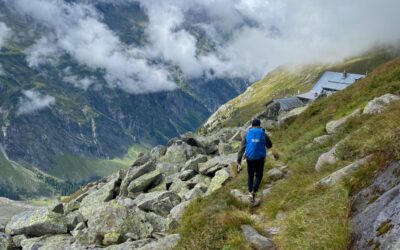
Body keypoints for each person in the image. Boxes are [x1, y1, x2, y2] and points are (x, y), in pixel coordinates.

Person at [237, 118, 272, 202]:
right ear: (259, 125)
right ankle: (254, 191)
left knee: (250, 175)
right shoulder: (263, 133)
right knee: (259, 175)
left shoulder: (247, 134)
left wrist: (238, 161)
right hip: (260, 158)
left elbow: (241, 149)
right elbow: (269, 145)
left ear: (252, 125)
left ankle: (250, 191)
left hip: (250, 158)